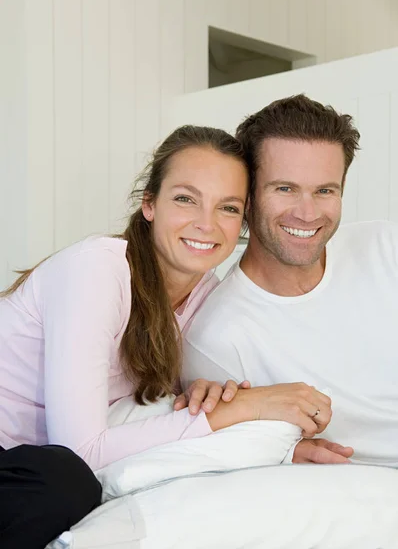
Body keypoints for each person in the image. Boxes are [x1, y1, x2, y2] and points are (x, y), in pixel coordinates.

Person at [0, 124, 330, 549]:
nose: (206, 224)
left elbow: (172, 408)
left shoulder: (205, 294)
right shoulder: (97, 270)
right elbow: (79, 451)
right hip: (26, 462)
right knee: (66, 483)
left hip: (23, 462)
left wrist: (274, 446)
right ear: (149, 204)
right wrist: (247, 407)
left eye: (228, 208)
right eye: (185, 199)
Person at [181, 94, 398, 466]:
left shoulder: (386, 245)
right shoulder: (216, 339)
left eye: (325, 191)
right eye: (285, 189)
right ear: (247, 198)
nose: (307, 213)